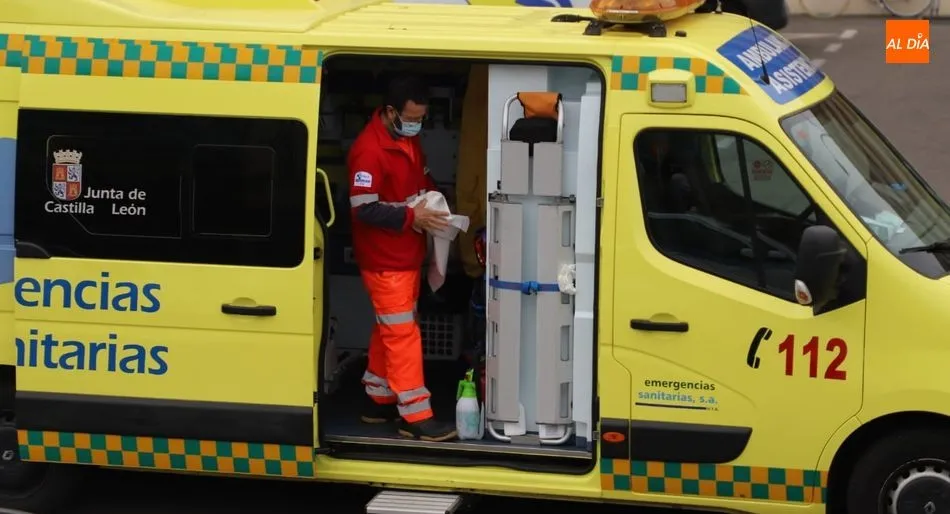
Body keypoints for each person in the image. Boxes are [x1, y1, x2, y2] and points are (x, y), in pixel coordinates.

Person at [346, 74, 458, 442]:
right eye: (411, 118)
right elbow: (363, 209)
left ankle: (378, 401)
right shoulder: (369, 150)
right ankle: (417, 416)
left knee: (390, 327)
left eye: (422, 118)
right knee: (403, 334)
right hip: (385, 260)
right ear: (391, 111)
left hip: (405, 255)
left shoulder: (407, 142)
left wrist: (437, 204)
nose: (417, 124)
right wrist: (414, 217)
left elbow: (422, 183)